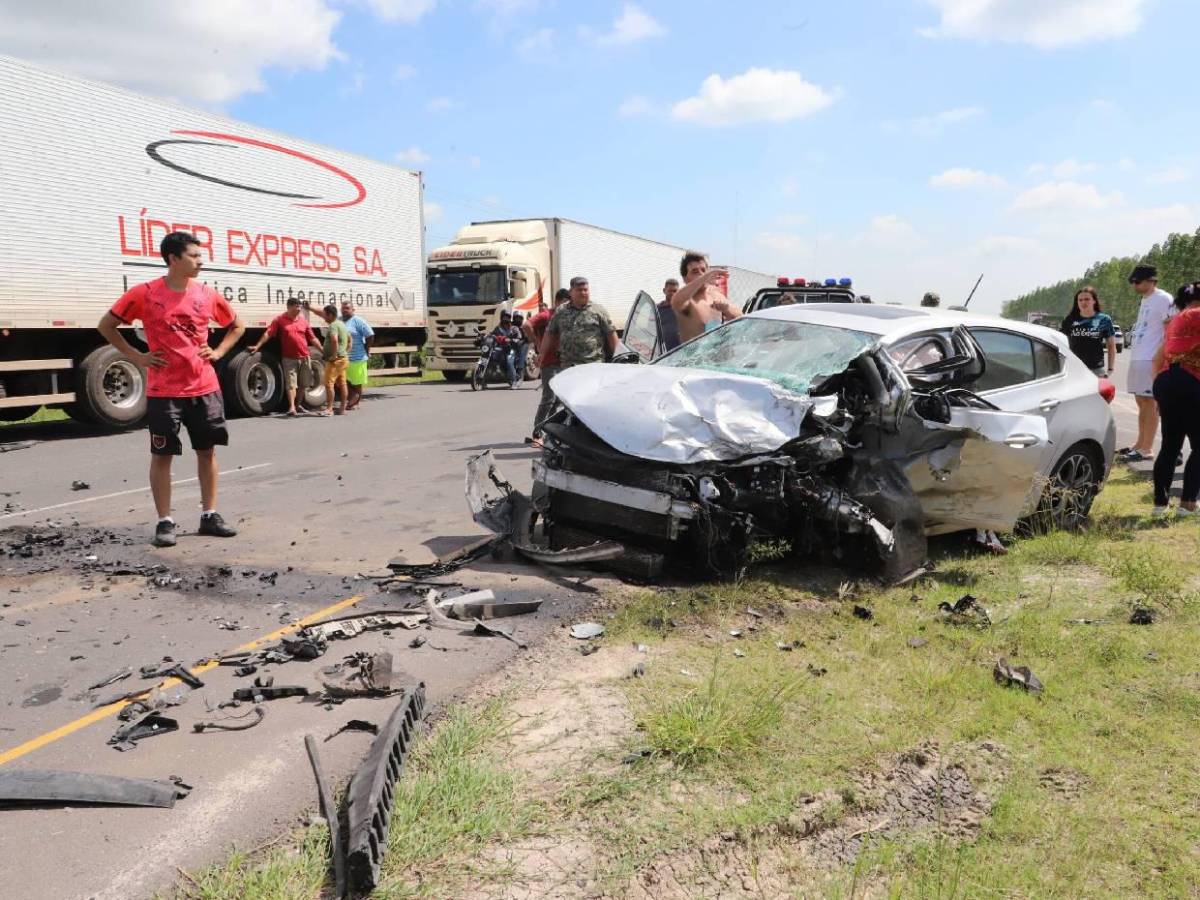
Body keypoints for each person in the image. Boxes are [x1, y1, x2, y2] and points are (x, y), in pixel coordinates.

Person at [97, 231, 245, 547]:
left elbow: (237, 326)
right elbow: (106, 325)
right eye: (194, 255)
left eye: (200, 255)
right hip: (164, 392)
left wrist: (218, 352)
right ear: (173, 259)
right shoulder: (145, 293)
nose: (200, 261)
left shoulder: (206, 293)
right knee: (162, 455)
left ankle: (210, 515)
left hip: (204, 387)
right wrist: (137, 356)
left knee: (207, 451)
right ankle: (165, 522)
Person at [1149, 282, 1200, 516]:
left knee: (1170, 445)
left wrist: (1158, 394)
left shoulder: (1175, 321)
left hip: (1167, 380)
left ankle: (1160, 505)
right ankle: (1188, 503)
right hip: (1192, 381)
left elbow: (1157, 358)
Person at [1121, 264, 1175, 462]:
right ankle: (1139, 443)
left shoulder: (1164, 299)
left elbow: (1171, 328)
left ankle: (1147, 448)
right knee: (1141, 402)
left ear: (1151, 280)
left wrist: (1162, 358)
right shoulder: (1145, 300)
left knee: (1150, 402)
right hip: (1137, 356)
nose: (1134, 285)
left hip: (1151, 358)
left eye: (1137, 281)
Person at [247, 298, 322, 416]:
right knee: (291, 384)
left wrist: (322, 350)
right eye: (296, 306)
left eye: (299, 307)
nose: (299, 309)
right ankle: (292, 407)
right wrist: (257, 346)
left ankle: (298, 405)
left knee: (304, 383)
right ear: (289, 307)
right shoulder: (280, 320)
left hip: (304, 356)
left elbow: (312, 338)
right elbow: (269, 333)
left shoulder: (303, 321)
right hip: (289, 358)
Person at [539, 276, 618, 370]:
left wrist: (619, 358)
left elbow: (611, 334)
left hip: (593, 366)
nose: (583, 293)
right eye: (579, 290)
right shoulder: (561, 311)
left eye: (586, 290)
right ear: (571, 292)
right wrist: (541, 354)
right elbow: (549, 333)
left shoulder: (598, 310)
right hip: (568, 367)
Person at [524, 288, 569, 439]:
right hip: (549, 362)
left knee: (558, 399)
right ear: (557, 301)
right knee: (549, 397)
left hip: (562, 362)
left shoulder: (565, 316)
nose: (567, 305)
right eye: (565, 302)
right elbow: (526, 325)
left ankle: (548, 428)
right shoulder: (546, 315)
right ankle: (537, 430)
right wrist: (537, 342)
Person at [670, 251, 740, 343]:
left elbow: (741, 316)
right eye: (695, 271)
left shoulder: (715, 295)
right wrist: (706, 276)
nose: (701, 274)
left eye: (703, 270)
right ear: (685, 279)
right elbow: (676, 300)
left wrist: (726, 309)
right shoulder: (687, 302)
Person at [1060, 286, 1117, 377]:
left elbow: (1111, 345)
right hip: (1074, 369)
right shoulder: (1069, 320)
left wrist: (1110, 369)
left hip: (1096, 370)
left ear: (1094, 301)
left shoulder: (1104, 319)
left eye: (1087, 299)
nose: (1083, 302)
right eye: (1080, 300)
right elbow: (1061, 343)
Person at [340, 300, 374, 410]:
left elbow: (370, 335)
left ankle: (356, 403)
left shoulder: (358, 321)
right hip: (344, 357)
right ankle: (351, 400)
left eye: (347, 308)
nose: (344, 310)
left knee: (357, 382)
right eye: (343, 308)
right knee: (345, 381)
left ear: (352, 310)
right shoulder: (339, 320)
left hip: (357, 357)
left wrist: (367, 349)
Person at [318, 304, 350, 416]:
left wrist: (334, 355)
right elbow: (350, 339)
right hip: (343, 359)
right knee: (342, 383)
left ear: (330, 315)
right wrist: (345, 351)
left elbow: (334, 340)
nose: (324, 317)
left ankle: (329, 409)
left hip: (335, 361)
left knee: (328, 383)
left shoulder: (333, 326)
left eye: (325, 315)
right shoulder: (342, 324)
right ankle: (342, 408)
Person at [658, 278, 682, 351]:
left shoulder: (683, 308)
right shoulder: (657, 309)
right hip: (663, 352)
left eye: (675, 291)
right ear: (664, 291)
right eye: (669, 291)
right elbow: (650, 330)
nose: (672, 293)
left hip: (681, 350)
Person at [511, 311, 528, 388]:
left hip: (523, 344)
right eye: (516, 318)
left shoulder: (524, 326)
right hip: (511, 344)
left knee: (522, 352)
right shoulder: (509, 325)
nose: (517, 319)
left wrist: (521, 341)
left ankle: (520, 372)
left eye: (519, 318)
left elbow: (527, 337)